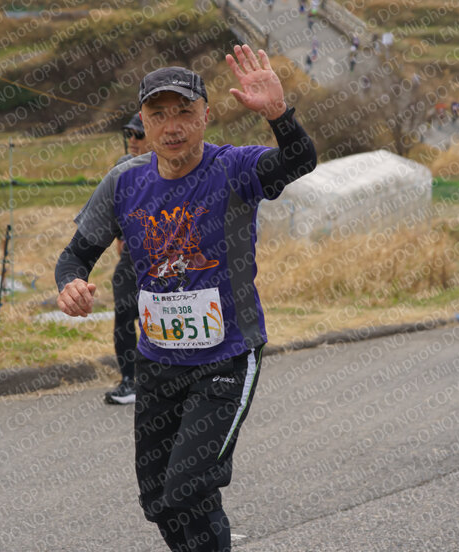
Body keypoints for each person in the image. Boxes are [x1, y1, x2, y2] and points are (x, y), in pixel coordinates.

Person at [55, 45, 316, 551]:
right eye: (158, 115)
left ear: (205, 115)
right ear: (143, 122)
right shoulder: (125, 181)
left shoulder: (234, 168)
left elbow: (298, 160)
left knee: (188, 488)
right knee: (159, 502)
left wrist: (278, 115)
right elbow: (75, 256)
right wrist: (70, 284)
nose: (172, 126)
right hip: (157, 361)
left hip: (227, 357)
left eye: (184, 112)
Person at [103, 115, 149, 405]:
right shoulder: (123, 167)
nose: (132, 139)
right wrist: (120, 235)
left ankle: (154, 378)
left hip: (162, 256)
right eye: (129, 133)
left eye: (138, 134)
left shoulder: (168, 166)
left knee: (152, 316)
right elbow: (116, 205)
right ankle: (129, 381)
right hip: (132, 256)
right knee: (123, 314)